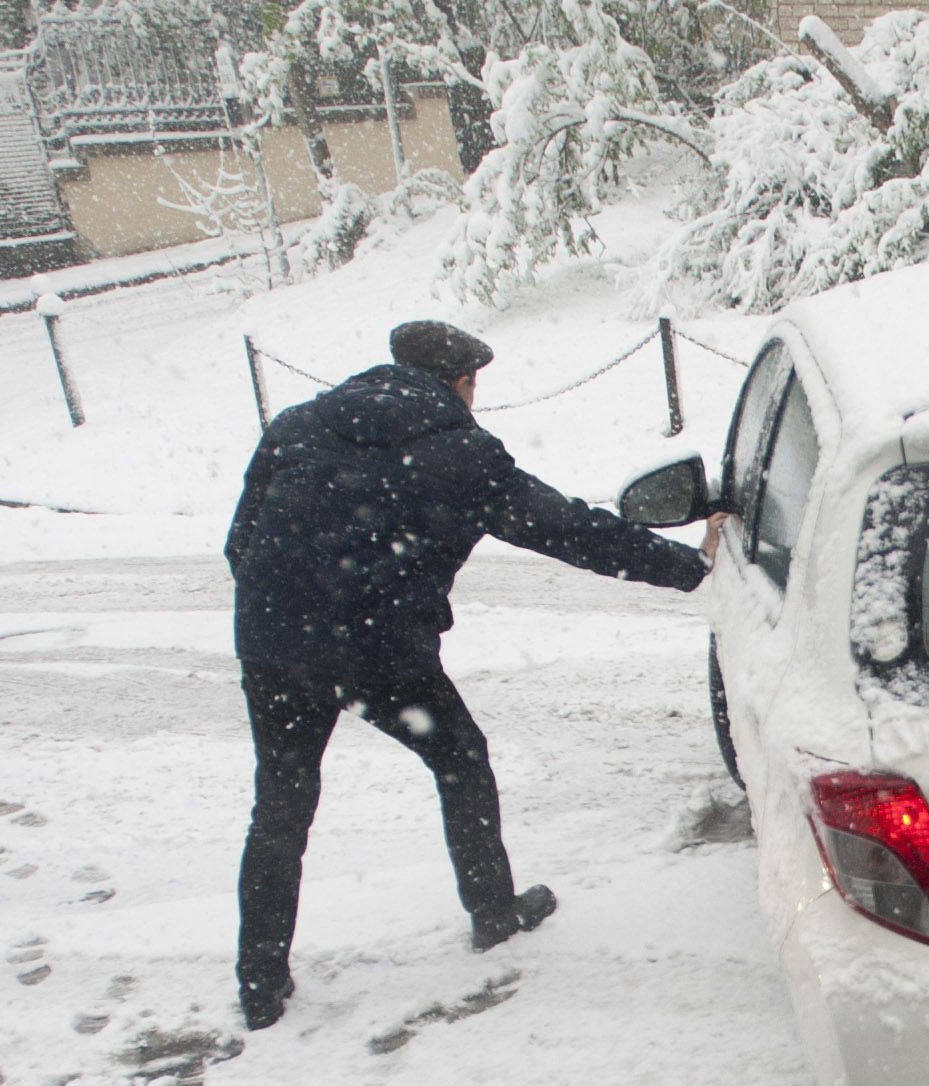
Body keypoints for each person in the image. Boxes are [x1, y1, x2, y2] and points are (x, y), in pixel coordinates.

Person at [222, 317, 709, 1027]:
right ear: (460, 381)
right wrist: (689, 568)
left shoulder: (295, 425)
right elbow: (570, 531)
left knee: (281, 805)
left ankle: (259, 984)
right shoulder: (459, 454)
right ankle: (493, 914)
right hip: (376, 650)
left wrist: (294, 615)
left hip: (274, 641)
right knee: (459, 758)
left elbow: (239, 543)